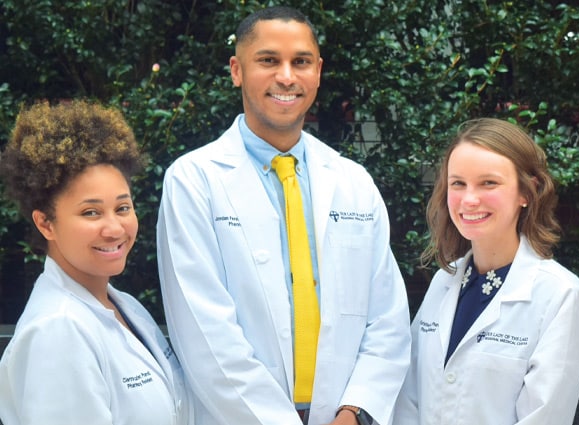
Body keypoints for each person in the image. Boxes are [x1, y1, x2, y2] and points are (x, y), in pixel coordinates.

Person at [156, 6, 411, 425]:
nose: (287, 77)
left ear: (318, 71)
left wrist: (354, 412)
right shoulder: (193, 180)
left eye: (301, 62)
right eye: (269, 60)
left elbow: (387, 317)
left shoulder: (354, 182)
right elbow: (204, 333)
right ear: (237, 70)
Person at [0, 100, 192, 425]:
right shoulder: (56, 331)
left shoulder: (123, 305)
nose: (115, 228)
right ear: (46, 223)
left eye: (122, 208)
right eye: (90, 212)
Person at [394, 118, 579, 425]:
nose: (469, 199)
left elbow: (544, 417)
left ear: (527, 192)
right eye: (458, 183)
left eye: (489, 183)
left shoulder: (562, 296)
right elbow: (407, 397)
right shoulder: (443, 282)